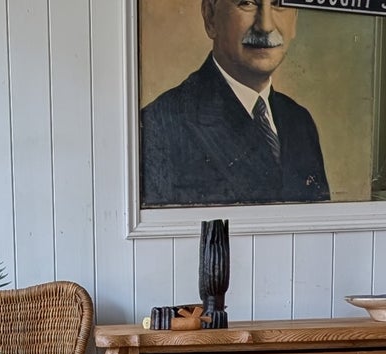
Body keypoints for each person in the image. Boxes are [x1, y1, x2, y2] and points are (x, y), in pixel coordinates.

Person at [141, 0, 329, 207]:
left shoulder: (299, 121)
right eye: (247, 3)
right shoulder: (158, 126)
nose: (265, 26)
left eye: (278, 4)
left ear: (294, 20)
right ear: (210, 16)